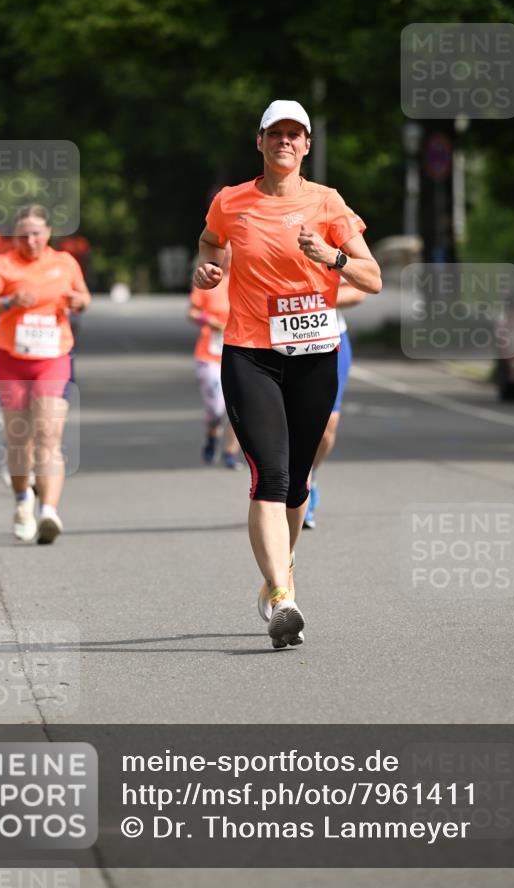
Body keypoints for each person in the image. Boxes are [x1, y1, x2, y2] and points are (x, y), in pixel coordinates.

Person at [193, 99, 382, 649]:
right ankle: (282, 598)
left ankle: (283, 571)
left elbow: (371, 279)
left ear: (306, 145)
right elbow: (209, 243)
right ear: (260, 141)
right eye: (274, 133)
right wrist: (207, 268)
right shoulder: (231, 202)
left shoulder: (328, 203)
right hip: (250, 352)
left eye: (294, 134)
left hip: (315, 353)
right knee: (269, 476)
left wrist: (332, 255)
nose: (284, 142)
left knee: (297, 482)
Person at [0, 205, 91, 544]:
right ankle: (23, 500)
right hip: (12, 361)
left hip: (54, 358)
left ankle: (48, 511)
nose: (30, 240)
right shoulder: (3, 265)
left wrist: (78, 300)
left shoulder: (65, 263)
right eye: (23, 234)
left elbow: (84, 297)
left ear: (48, 233)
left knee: (49, 436)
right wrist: (8, 301)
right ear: (15, 236)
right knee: (20, 441)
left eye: (36, 233)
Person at [303, 278, 365, 528]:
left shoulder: (330, 241)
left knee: (327, 426)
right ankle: (297, 488)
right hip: (278, 339)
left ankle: (310, 474)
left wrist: (307, 301)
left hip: (330, 338)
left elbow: (359, 290)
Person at [187, 246, 240, 468]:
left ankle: (230, 452)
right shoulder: (208, 280)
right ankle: (212, 435)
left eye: (232, 251)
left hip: (239, 351)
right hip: (209, 354)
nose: (228, 255)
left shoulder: (245, 279)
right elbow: (191, 312)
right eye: (224, 251)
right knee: (217, 408)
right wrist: (210, 322)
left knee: (239, 406)